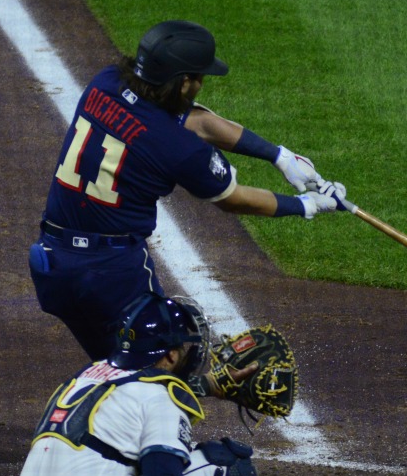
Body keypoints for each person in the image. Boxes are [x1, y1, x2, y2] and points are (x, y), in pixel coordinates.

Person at [30, 19, 346, 360]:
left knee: (113, 370)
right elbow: (233, 198)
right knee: (169, 366)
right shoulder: (179, 148)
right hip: (111, 275)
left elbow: (198, 122)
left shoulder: (105, 83)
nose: (202, 84)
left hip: (53, 264)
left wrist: (279, 156)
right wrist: (307, 205)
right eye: (199, 78)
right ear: (183, 83)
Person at [7, 292, 261, 476]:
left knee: (138, 455)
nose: (189, 353)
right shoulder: (158, 400)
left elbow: (139, 387)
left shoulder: (89, 376)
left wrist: (207, 385)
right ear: (171, 355)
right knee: (227, 466)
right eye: (184, 347)